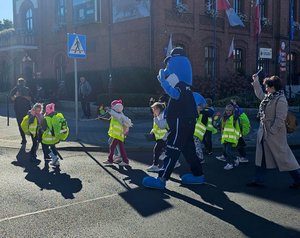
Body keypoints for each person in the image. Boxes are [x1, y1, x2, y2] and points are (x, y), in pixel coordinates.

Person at [143, 47, 204, 189]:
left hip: (179, 122)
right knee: (189, 150)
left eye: (169, 64)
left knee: (171, 149)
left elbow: (175, 94)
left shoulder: (180, 86)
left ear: (176, 64)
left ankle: (161, 179)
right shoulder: (187, 86)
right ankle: (198, 175)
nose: (167, 68)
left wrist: (163, 81)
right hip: (188, 121)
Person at [247, 75, 300, 188]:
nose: (266, 89)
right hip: (265, 132)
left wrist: (272, 130)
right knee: (262, 157)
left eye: (267, 87)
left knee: (285, 158)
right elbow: (260, 94)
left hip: (274, 134)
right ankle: (258, 180)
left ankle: (298, 179)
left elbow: (280, 118)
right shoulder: (269, 97)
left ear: (273, 87)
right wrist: (256, 82)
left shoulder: (281, 99)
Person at [103, 99, 133, 166]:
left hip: (118, 134)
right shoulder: (119, 114)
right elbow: (112, 117)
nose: (112, 108)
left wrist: (108, 110)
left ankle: (111, 160)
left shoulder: (119, 115)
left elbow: (114, 114)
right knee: (120, 148)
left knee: (112, 146)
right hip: (119, 134)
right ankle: (124, 160)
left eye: (112, 106)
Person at [9, 78, 32, 145]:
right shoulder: (15, 89)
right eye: (20, 82)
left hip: (26, 110)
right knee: (20, 125)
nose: (21, 84)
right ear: (18, 83)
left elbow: (30, 98)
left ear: (24, 83)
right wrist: (16, 96)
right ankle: (23, 139)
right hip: (18, 110)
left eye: (22, 82)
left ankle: (34, 138)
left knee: (29, 124)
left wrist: (23, 96)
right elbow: (11, 99)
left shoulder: (27, 89)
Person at [220, 104, 240, 170]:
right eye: (227, 110)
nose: (228, 112)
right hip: (225, 137)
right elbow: (222, 127)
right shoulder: (223, 118)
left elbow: (237, 128)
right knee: (226, 151)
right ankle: (235, 158)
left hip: (231, 138)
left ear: (232, 111)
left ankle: (230, 164)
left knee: (228, 151)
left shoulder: (234, 118)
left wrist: (235, 105)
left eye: (230, 110)